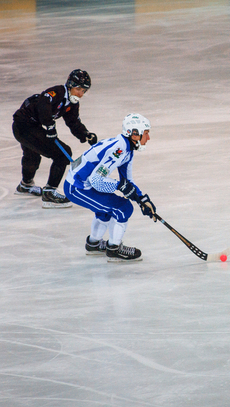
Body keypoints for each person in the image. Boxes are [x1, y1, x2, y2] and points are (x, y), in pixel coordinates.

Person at [64, 113, 157, 262]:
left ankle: (93, 245)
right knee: (123, 208)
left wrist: (142, 199)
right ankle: (114, 249)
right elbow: (97, 181)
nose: (148, 138)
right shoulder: (118, 150)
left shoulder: (126, 148)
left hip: (80, 184)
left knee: (105, 211)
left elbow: (127, 180)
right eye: (146, 133)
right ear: (134, 134)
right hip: (77, 187)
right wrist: (120, 186)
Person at [12, 69, 98, 208]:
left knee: (32, 156)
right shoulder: (56, 92)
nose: (81, 94)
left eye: (84, 91)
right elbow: (43, 104)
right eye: (79, 89)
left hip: (30, 127)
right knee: (63, 154)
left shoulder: (72, 103)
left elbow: (73, 122)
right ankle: (49, 193)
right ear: (70, 85)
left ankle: (25, 185)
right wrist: (50, 126)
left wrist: (85, 134)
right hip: (24, 126)